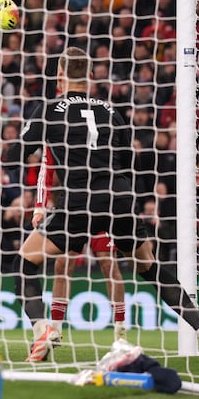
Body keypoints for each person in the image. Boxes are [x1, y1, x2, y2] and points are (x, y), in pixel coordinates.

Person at [5, 47, 199, 362]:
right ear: (92, 76)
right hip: (119, 198)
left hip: (79, 199)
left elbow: (13, 157)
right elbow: (129, 162)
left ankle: (43, 327)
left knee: (26, 260)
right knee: (149, 265)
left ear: (59, 76)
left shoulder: (50, 109)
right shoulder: (112, 111)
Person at [36, 146, 126, 343]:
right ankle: (56, 330)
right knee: (62, 264)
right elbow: (47, 169)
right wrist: (40, 205)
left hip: (101, 203)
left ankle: (120, 330)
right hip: (73, 207)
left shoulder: (96, 133)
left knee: (108, 264)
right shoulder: (58, 137)